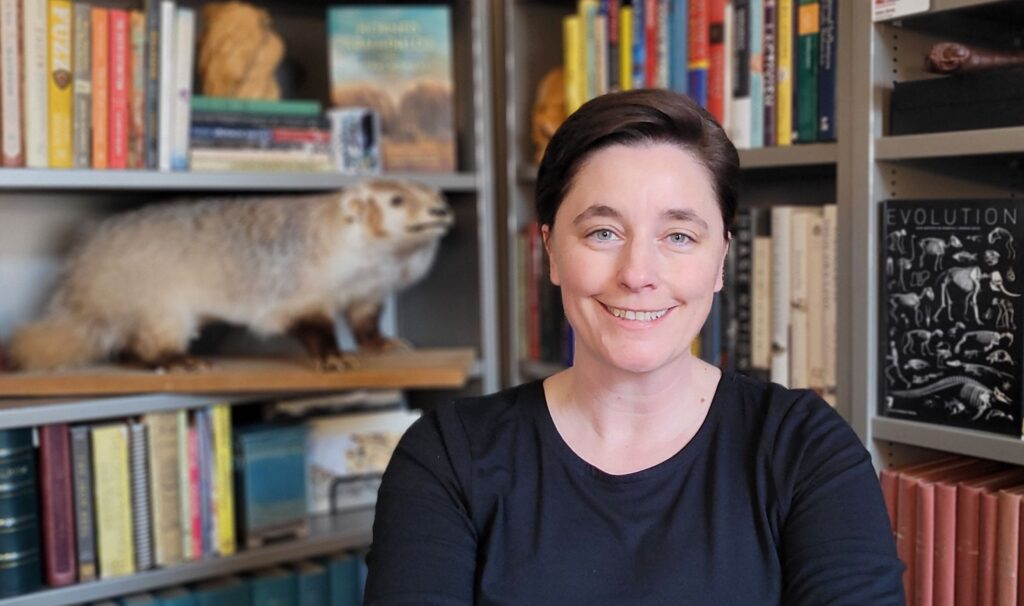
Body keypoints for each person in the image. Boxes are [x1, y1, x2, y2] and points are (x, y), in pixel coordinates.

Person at [364, 89, 904, 605]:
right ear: (550, 251)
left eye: (679, 236)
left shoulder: (806, 450)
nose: (637, 274)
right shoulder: (447, 458)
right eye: (603, 232)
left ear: (721, 261)